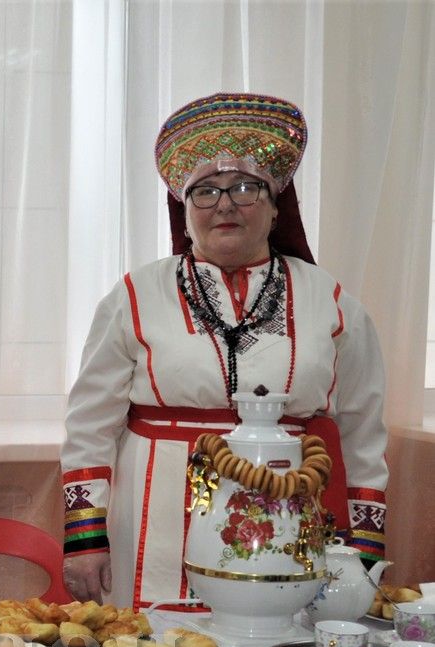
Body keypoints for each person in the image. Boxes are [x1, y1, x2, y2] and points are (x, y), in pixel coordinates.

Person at [61, 93, 388, 611]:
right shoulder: (134, 296)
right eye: (205, 192)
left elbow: (363, 431)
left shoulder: (332, 301)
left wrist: (365, 548)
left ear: (277, 204)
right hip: (152, 518)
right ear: (183, 212)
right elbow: (89, 425)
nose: (225, 205)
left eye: (244, 187)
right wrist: (85, 537)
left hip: (287, 514)